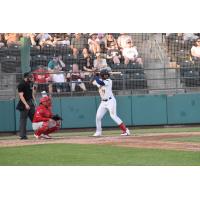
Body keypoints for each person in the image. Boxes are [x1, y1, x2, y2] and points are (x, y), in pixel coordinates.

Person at [91, 69, 130, 136]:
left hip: (110, 101)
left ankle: (126, 130)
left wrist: (96, 76)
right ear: (102, 75)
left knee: (113, 116)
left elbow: (101, 83)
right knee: (98, 117)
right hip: (103, 102)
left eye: (107, 75)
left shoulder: (109, 81)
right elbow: (91, 82)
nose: (106, 76)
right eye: (105, 75)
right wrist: (94, 74)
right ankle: (98, 132)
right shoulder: (99, 81)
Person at [16, 72, 36, 140]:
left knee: (35, 118)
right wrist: (26, 104)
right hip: (24, 103)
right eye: (29, 77)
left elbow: (32, 94)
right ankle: (22, 135)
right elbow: (21, 96)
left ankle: (39, 133)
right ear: (25, 77)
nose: (30, 78)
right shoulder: (21, 84)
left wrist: (34, 101)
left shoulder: (31, 83)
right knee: (23, 120)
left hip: (30, 102)